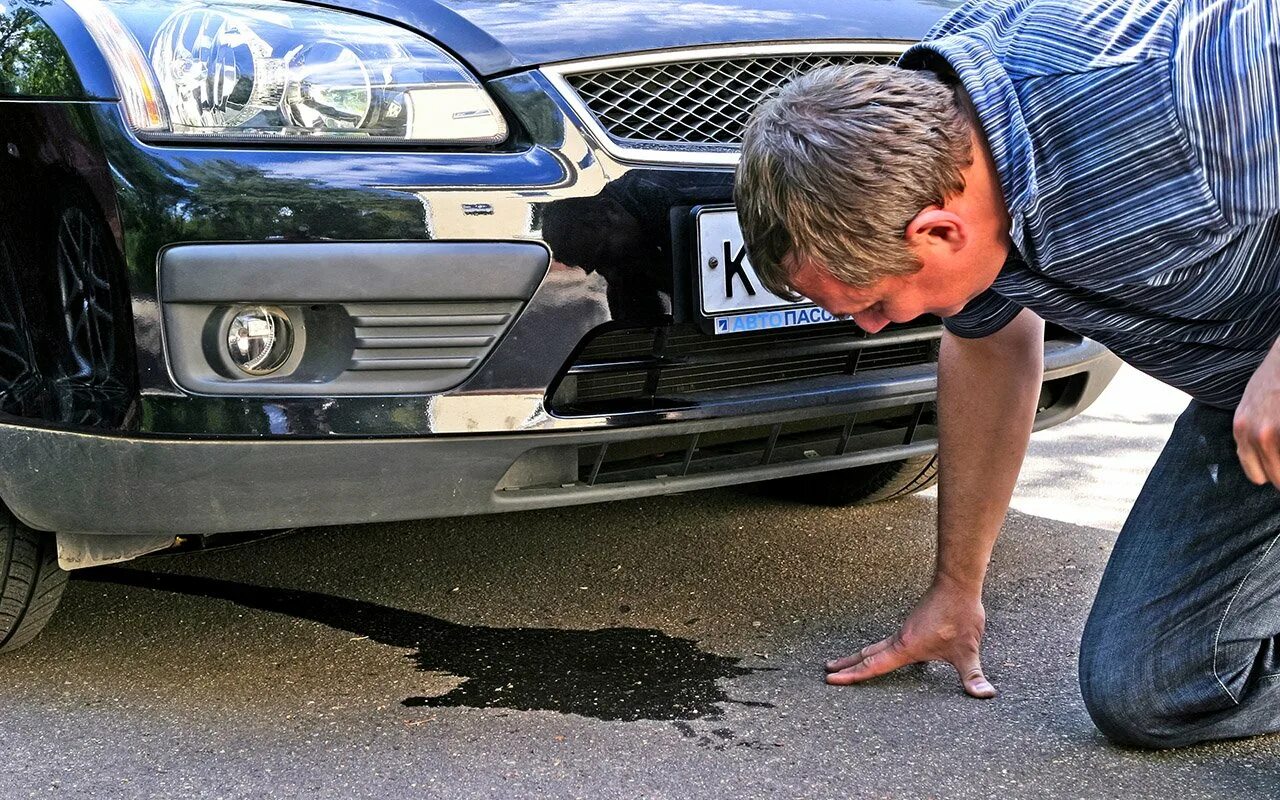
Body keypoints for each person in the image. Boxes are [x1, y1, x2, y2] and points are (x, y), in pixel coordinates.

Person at [734, 0, 1280, 748]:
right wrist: (957, 588)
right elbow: (990, 344)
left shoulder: (1172, 95)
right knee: (1150, 689)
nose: (870, 327)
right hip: (1244, 398)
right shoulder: (939, 152)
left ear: (938, 232)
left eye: (874, 303)